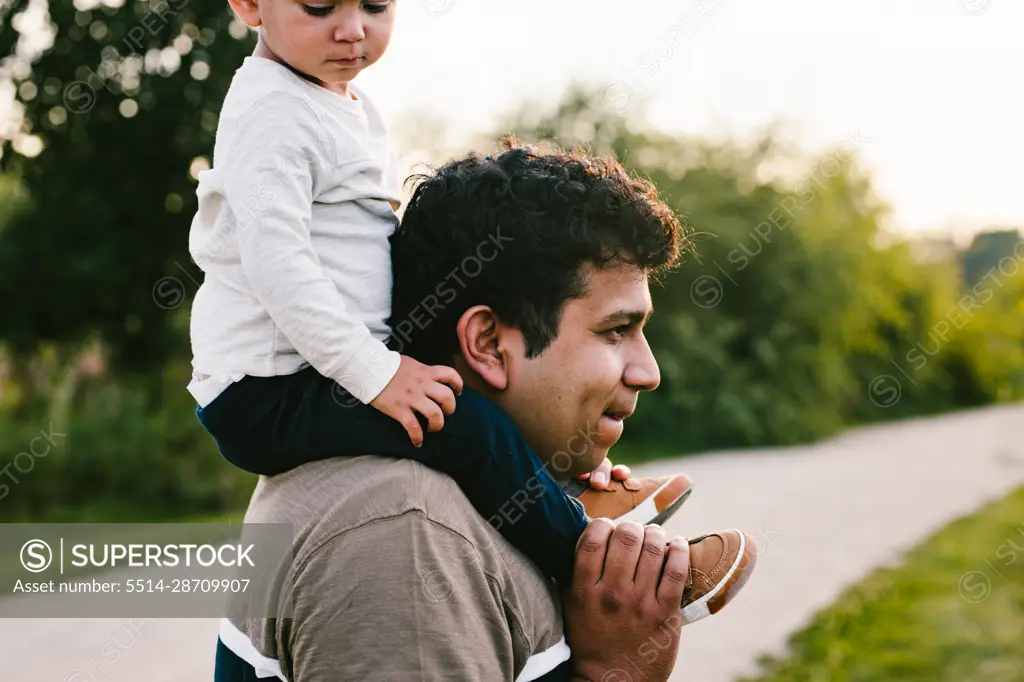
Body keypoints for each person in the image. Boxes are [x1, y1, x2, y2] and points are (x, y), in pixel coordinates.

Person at [186, 0, 697, 591]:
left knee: (462, 397)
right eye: (320, 5)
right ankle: (588, 564)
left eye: (375, 5)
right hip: (267, 390)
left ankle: (568, 492)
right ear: (249, 6)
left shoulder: (347, 105)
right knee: (463, 427)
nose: (352, 29)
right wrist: (376, 374)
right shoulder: (271, 110)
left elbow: (363, 257)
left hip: (329, 364)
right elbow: (278, 266)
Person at [213, 141, 759, 681]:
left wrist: (545, 479)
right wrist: (615, 669)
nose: (649, 370)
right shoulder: (408, 542)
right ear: (489, 345)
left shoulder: (442, 500)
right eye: (616, 331)